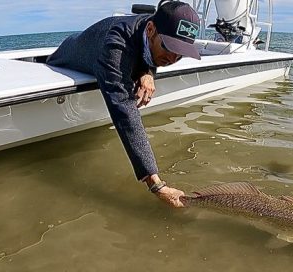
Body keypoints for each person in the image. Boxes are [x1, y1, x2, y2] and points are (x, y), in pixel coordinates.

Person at [46, 0, 201, 208]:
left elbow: (147, 51)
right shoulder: (115, 49)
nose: (173, 58)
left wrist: (147, 72)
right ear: (151, 29)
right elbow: (125, 114)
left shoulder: (152, 27)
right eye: (169, 47)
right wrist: (156, 185)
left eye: (180, 52)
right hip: (64, 57)